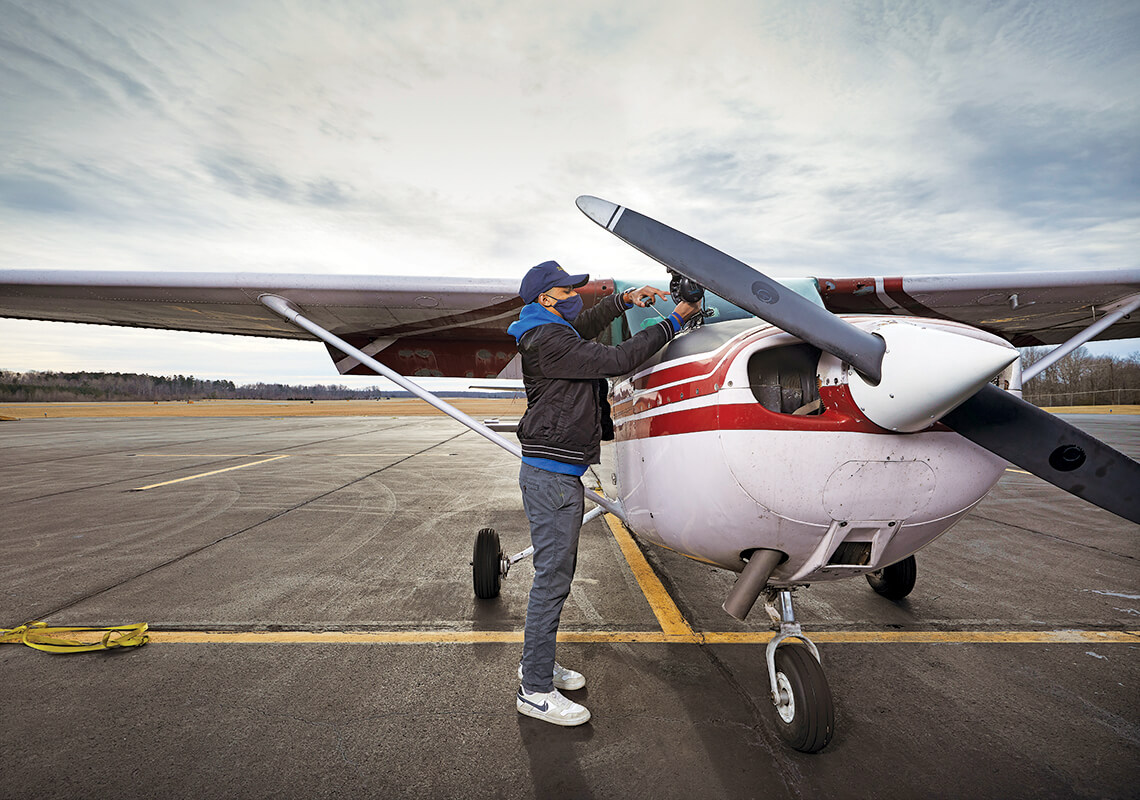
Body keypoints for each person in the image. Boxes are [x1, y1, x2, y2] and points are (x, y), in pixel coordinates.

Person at [506, 260, 702, 726]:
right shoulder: (549, 341)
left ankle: (538, 662)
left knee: (556, 576)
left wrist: (622, 300)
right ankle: (533, 690)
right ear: (545, 298)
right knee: (552, 580)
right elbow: (616, 361)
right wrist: (673, 320)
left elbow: (587, 324)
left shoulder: (549, 328)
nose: (577, 295)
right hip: (550, 476)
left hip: (557, 471)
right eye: (567, 289)